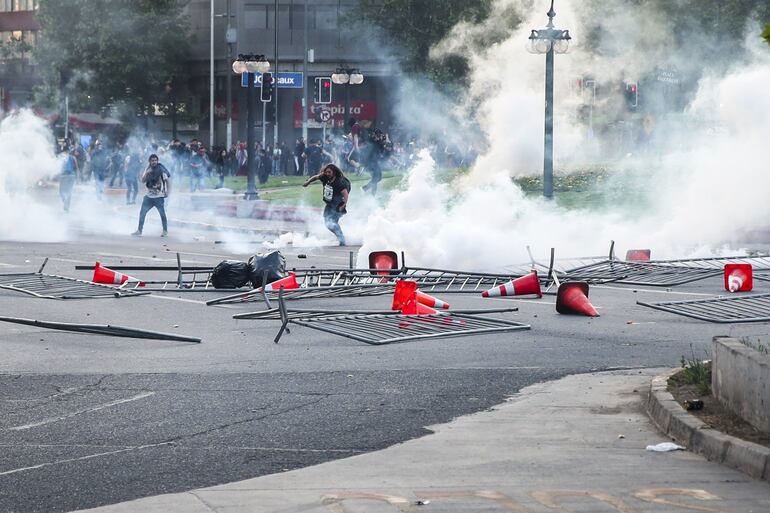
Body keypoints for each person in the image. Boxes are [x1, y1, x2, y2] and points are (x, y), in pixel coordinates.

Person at [303, 163, 350, 246]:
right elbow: (315, 177)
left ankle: (342, 239)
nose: (327, 174)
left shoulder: (338, 182)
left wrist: (343, 205)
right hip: (330, 204)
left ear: (334, 173)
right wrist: (308, 182)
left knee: (333, 223)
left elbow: (345, 194)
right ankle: (340, 237)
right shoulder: (324, 177)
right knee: (328, 223)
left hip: (338, 204)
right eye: (326, 172)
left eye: (329, 172)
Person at [132, 154, 171, 237]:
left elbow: (167, 181)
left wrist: (168, 192)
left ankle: (165, 231)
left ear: (157, 161)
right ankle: (139, 230)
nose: (154, 162)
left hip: (159, 197)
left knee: (162, 214)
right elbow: (142, 180)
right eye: (152, 160)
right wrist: (146, 173)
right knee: (142, 213)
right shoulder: (148, 169)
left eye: (155, 160)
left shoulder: (161, 170)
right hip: (149, 196)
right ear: (149, 161)